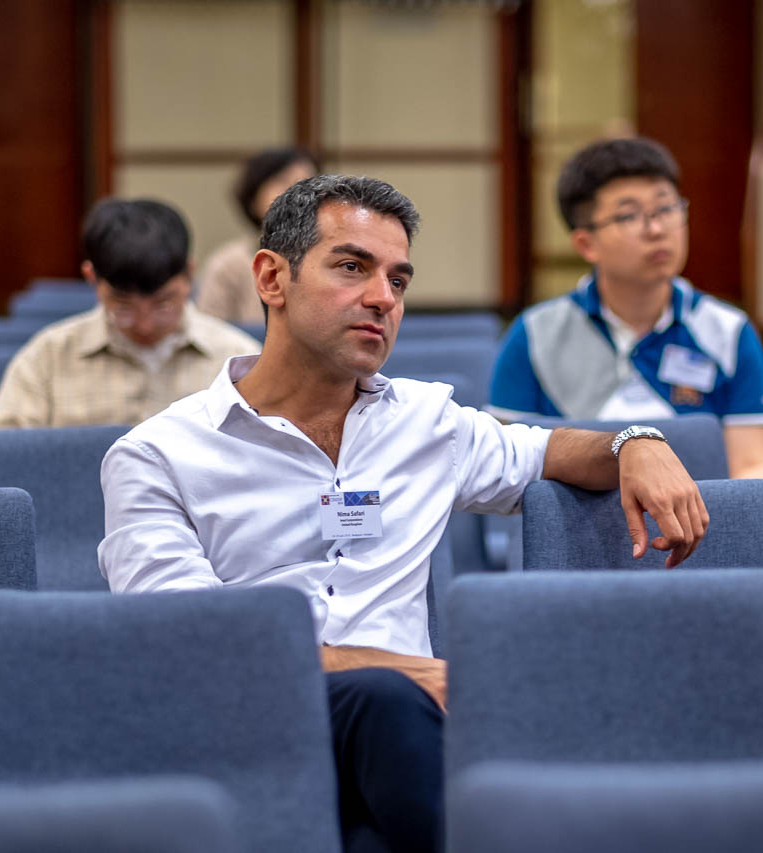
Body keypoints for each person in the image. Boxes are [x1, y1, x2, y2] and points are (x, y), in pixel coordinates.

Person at [98, 174, 708, 853]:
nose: (382, 298)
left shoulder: (425, 423)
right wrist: (397, 669)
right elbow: (185, 641)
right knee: (387, 702)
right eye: (352, 267)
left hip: (407, 734)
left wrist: (636, 443)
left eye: (398, 280)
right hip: (246, 720)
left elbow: (547, 453)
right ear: (272, 278)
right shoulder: (157, 455)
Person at [487, 136, 763, 481]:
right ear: (586, 243)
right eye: (629, 215)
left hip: (700, 511)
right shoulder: (535, 335)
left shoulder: (728, 332)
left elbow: (751, 464)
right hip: (575, 514)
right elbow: (506, 466)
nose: (656, 229)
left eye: (666, 208)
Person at [0, 199, 260, 429]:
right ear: (91, 277)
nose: (145, 325)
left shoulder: (237, 358)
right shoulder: (49, 357)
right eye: (123, 307)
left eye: (163, 304)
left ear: (189, 273)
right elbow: (2, 456)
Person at [197, 147, 319, 325]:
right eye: (283, 182)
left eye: (306, 185)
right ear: (253, 197)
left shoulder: (328, 257)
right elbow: (209, 331)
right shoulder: (228, 264)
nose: (296, 195)